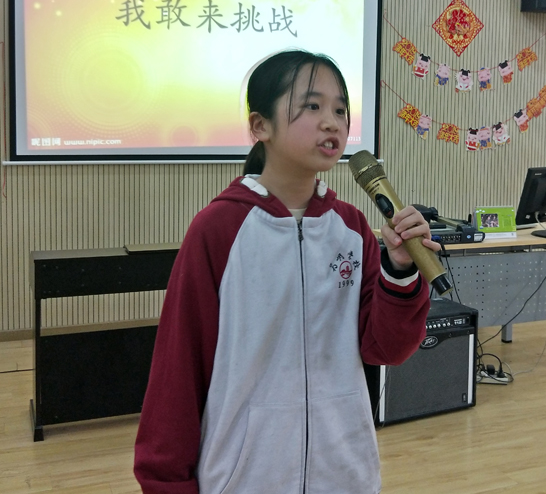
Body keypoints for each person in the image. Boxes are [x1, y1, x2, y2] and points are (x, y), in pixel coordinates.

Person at [133, 49, 441, 494]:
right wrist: (166, 482)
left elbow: (385, 349)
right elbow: (178, 369)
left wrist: (400, 269)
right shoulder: (219, 229)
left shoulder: (352, 227)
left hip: (345, 475)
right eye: (312, 106)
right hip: (245, 479)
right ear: (260, 126)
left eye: (340, 110)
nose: (332, 123)